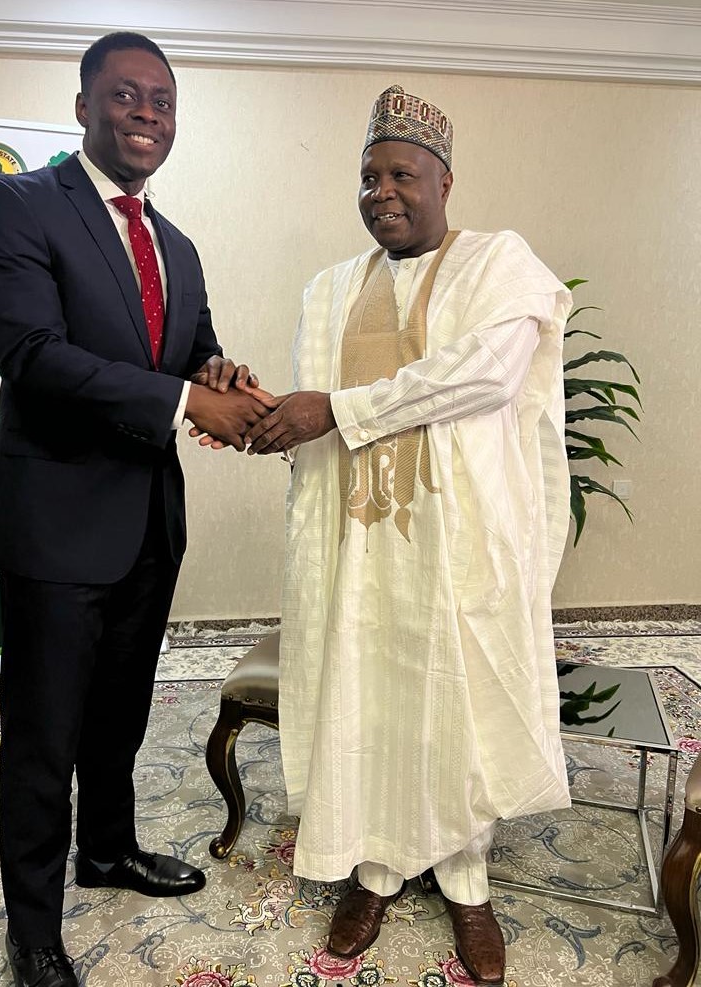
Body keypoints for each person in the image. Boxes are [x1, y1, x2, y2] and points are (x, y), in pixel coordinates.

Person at [245, 85, 573, 985]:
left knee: (455, 699)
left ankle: (467, 879)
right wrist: (256, 415)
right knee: (372, 695)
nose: (381, 190)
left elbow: (484, 376)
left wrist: (335, 410)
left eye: (401, 173)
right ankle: (377, 868)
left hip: (457, 539)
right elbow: (309, 417)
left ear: (445, 180)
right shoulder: (330, 290)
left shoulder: (497, 265)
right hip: (359, 545)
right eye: (368, 175)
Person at [0, 32, 270, 987]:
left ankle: (108, 849)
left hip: (147, 522)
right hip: (56, 521)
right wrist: (186, 402)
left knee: (119, 718)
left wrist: (216, 373)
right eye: (128, 96)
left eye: (164, 102)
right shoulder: (15, 202)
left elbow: (193, 351)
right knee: (45, 735)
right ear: (85, 104)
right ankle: (34, 929)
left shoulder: (173, 243)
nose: (148, 114)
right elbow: (35, 355)